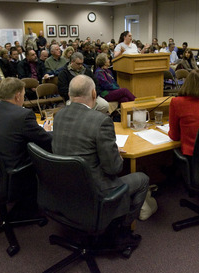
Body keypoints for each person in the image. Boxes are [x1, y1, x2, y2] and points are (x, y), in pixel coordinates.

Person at [51, 74, 149, 244]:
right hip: (93, 189)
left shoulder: (58, 116)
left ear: (69, 94)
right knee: (142, 179)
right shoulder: (101, 121)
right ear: (94, 94)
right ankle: (122, 233)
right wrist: (115, 153)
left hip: (63, 186)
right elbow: (114, 169)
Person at [0, 77, 52, 170]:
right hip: (16, 170)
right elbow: (46, 141)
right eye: (23, 95)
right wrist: (46, 131)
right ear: (17, 96)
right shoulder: (23, 115)